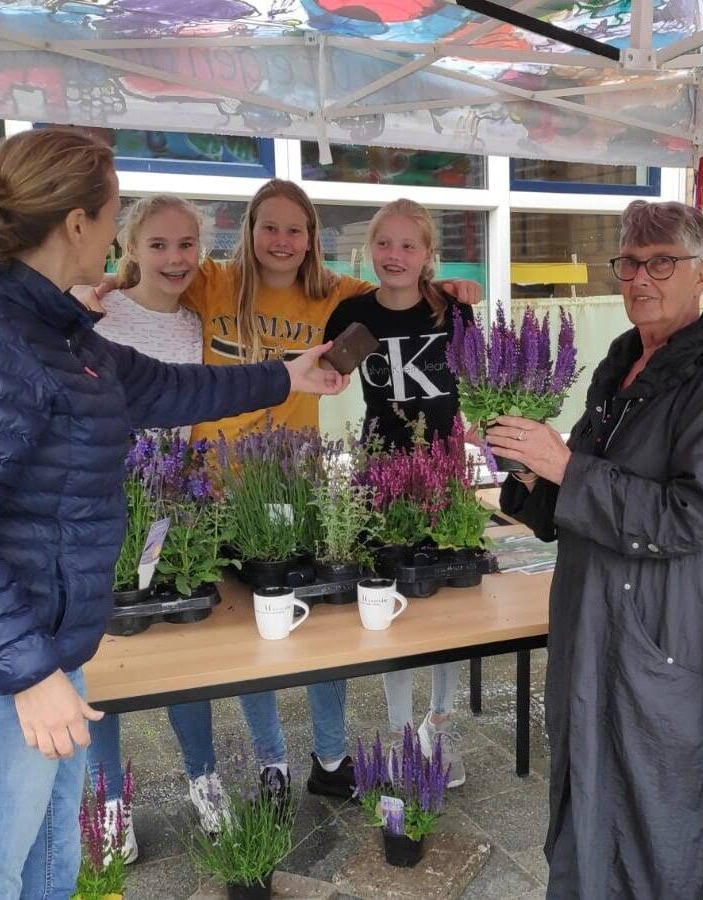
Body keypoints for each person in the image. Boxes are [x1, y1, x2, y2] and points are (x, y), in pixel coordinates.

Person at [0, 128, 348, 899]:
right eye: (113, 217)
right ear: (77, 224)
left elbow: (170, 390)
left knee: (50, 871)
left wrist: (289, 376)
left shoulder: (60, 331)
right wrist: (30, 674)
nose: (117, 236)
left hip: (43, 651)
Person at [491, 200, 703, 897]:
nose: (639, 279)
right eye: (627, 262)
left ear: (702, 274)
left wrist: (565, 467)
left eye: (660, 263)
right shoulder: (623, 361)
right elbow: (591, 487)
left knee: (669, 801)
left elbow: (691, 515)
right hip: (600, 619)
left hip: (676, 625)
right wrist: (532, 471)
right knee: (595, 785)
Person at [175, 180, 481, 806]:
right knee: (250, 629)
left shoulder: (333, 297)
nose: (282, 241)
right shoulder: (211, 281)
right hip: (218, 485)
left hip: (293, 481)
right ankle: (270, 760)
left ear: (313, 238)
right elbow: (156, 268)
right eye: (270, 227)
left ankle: (333, 753)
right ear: (249, 230)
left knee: (324, 616)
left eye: (295, 229)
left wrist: (454, 288)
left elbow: (400, 291)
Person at [87, 195, 230, 863]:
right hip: (101, 505)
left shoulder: (197, 325)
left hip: (170, 508)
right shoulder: (101, 313)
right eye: (159, 245)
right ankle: (109, 802)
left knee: (185, 654)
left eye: (185, 245)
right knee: (105, 658)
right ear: (131, 248)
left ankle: (203, 781)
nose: (174, 258)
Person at [323, 199, 474, 787]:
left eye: (409, 246)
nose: (396, 255)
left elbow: (477, 379)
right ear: (370, 250)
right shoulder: (354, 314)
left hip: (443, 472)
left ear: (428, 256)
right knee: (390, 600)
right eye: (385, 243)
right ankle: (399, 731)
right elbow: (327, 367)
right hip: (381, 472)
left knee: (445, 610)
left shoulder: (450, 309)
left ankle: (441, 723)